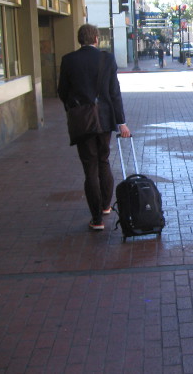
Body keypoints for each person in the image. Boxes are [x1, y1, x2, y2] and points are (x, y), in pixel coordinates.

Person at [58, 24, 131, 231]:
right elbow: (114, 92)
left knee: (89, 166)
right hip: (105, 119)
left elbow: (62, 91)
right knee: (103, 160)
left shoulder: (68, 60)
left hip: (82, 120)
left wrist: (73, 106)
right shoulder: (107, 59)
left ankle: (96, 218)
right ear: (96, 39)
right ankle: (106, 205)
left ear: (79, 39)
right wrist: (121, 122)